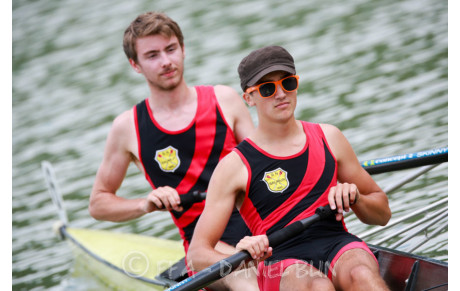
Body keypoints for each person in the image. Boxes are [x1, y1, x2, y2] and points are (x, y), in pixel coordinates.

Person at [187, 45, 392, 290]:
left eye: (288, 83)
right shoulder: (234, 166)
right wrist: (243, 258)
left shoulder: (330, 137)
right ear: (249, 98)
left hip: (337, 242)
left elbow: (382, 214)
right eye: (267, 88)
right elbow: (197, 255)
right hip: (280, 259)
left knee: (363, 275)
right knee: (318, 286)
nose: (280, 93)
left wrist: (356, 198)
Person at [88, 12, 258, 290]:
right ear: (135, 65)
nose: (166, 62)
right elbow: (98, 203)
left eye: (171, 49)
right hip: (206, 245)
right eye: (152, 55)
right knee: (251, 282)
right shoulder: (128, 128)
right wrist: (144, 203)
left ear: (183, 49)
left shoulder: (224, 100)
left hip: (259, 224)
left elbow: (264, 165)